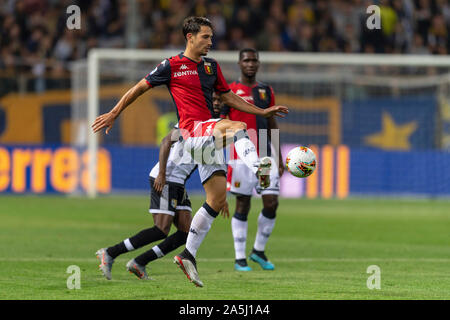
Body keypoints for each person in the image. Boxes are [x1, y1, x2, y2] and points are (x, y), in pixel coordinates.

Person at [92, 16, 288, 287]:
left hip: (207, 137)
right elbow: (138, 88)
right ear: (190, 37)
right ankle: (258, 168)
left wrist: (263, 111)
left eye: (211, 36)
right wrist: (114, 112)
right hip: (191, 130)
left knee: (218, 198)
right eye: (206, 37)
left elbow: (229, 97)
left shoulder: (211, 67)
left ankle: (188, 255)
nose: (211, 41)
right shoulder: (171, 66)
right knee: (238, 126)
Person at [95, 127, 199, 280]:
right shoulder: (190, 123)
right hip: (166, 179)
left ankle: (139, 262)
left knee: (186, 232)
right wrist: (162, 174)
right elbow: (165, 141)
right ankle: (110, 253)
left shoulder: (212, 131)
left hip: (179, 183)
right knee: (160, 229)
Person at [220, 48, 284, 272]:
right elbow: (221, 124)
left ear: (258, 63)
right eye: (246, 60)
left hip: (265, 158)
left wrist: (279, 156)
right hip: (240, 160)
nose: (250, 64)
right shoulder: (229, 91)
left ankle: (258, 251)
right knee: (243, 204)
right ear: (239, 63)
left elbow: (272, 124)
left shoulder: (266, 91)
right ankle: (239, 258)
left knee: (271, 203)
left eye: (254, 60)